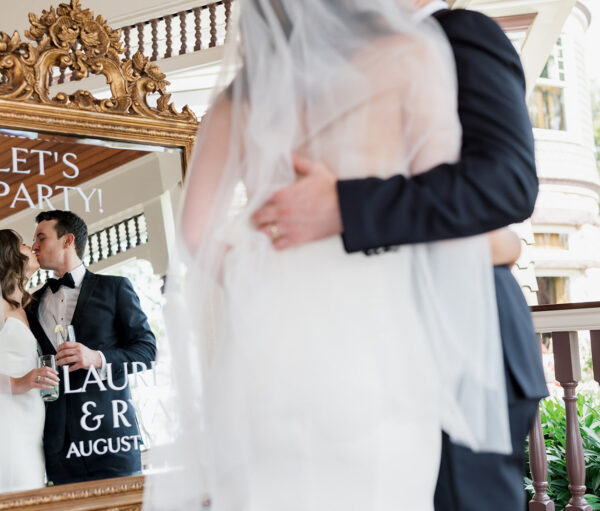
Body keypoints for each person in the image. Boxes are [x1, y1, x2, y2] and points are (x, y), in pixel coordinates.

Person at [145, 1, 514, 510]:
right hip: (377, 346)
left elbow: (194, 230)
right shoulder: (410, 55)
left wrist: (261, 273)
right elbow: (447, 215)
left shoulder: (241, 97)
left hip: (264, 355)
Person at [250, 1, 550, 509]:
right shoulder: (325, 67)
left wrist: (345, 206)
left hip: (460, 345)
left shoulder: (459, 34)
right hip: (367, 347)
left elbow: (507, 183)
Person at [26, 210, 157, 485]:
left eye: (41, 237)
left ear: (67, 240)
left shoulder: (115, 288)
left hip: (111, 438)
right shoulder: (30, 304)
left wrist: (96, 358)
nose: (34, 245)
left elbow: (146, 352)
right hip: (58, 446)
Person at [0, 229, 59, 495]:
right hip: (5, 419)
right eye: (24, 244)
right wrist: (17, 383)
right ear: (8, 254)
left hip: (31, 419)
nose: (32, 247)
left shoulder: (23, 308)